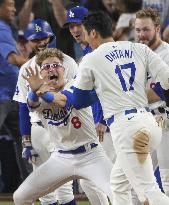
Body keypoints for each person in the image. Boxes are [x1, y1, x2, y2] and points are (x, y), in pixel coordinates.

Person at [70, 11, 169, 204]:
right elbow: (167, 82)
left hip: (127, 129)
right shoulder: (139, 49)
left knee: (148, 191)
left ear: (93, 33)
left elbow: (78, 101)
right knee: (118, 184)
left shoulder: (91, 58)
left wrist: (99, 89)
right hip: (150, 122)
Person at [13, 48, 114, 205]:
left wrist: (40, 91)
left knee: (120, 195)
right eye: (46, 67)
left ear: (64, 70)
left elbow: (63, 100)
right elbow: (31, 104)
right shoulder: (37, 95)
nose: (52, 68)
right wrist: (34, 91)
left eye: (56, 65)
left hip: (91, 155)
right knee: (20, 197)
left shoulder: (75, 83)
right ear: (41, 75)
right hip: (61, 157)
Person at [13, 19, 78, 205]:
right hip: (38, 129)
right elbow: (23, 106)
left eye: (44, 37)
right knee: (45, 193)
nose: (41, 42)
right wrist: (26, 140)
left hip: (62, 125)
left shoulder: (68, 62)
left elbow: (77, 98)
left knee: (64, 188)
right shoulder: (26, 68)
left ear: (51, 37)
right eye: (36, 39)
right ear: (29, 42)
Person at [63, 6, 116, 205]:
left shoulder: (99, 51)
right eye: (71, 27)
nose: (75, 30)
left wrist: (101, 119)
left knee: (109, 180)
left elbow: (108, 88)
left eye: (78, 25)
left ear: (89, 26)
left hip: (108, 124)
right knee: (91, 182)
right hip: (98, 124)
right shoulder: (87, 51)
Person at [134, 7, 169, 197]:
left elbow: (163, 91)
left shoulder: (167, 53)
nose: (141, 34)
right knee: (137, 180)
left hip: (165, 120)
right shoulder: (135, 53)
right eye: (138, 30)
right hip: (142, 121)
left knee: (167, 179)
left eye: (146, 29)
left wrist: (131, 95)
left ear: (157, 28)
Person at [0, 0, 29, 183]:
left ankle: (31, 186)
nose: (13, 9)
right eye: (9, 5)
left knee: (24, 139)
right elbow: (12, 59)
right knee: (23, 139)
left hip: (11, 95)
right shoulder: (1, 27)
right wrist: (37, 63)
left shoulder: (5, 27)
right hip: (2, 96)